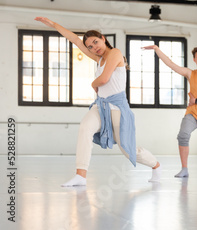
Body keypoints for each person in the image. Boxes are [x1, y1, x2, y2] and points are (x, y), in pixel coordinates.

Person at [34, 17, 161, 187]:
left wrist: (93, 83)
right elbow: (75, 40)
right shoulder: (98, 59)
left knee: (126, 148)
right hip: (100, 105)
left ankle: (156, 165)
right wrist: (54, 25)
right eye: (90, 47)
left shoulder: (115, 53)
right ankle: (81, 175)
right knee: (85, 128)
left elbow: (104, 78)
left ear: (103, 38)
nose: (95, 48)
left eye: (96, 42)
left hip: (117, 107)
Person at [142, 45, 197, 178]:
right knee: (183, 135)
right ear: (194, 59)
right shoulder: (191, 74)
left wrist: (196, 101)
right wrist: (156, 49)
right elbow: (171, 64)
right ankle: (184, 169)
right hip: (192, 113)